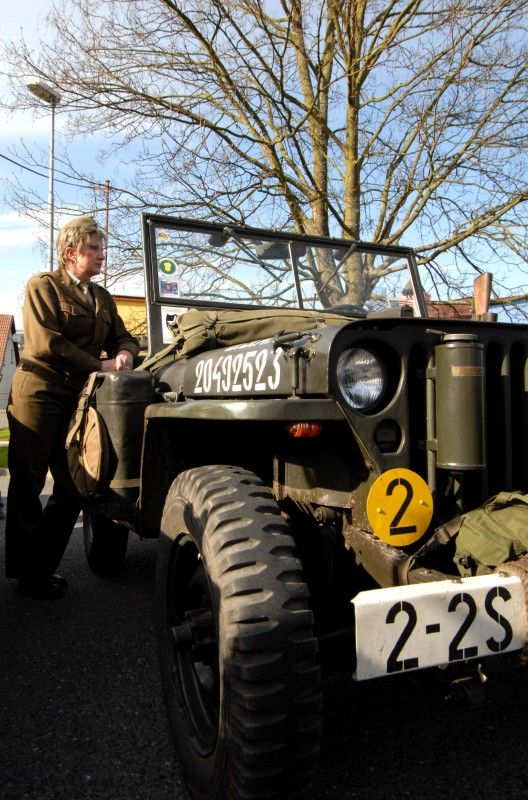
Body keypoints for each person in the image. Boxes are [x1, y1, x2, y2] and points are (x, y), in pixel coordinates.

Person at [5, 215, 139, 599]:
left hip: (74, 399)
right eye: (93, 248)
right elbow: (47, 342)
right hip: (39, 391)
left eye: (101, 248)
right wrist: (98, 364)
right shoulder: (43, 286)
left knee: (71, 488)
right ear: (70, 253)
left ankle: (41, 567)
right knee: (28, 482)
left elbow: (125, 337)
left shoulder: (102, 298)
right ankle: (27, 574)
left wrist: (126, 354)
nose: (102, 255)